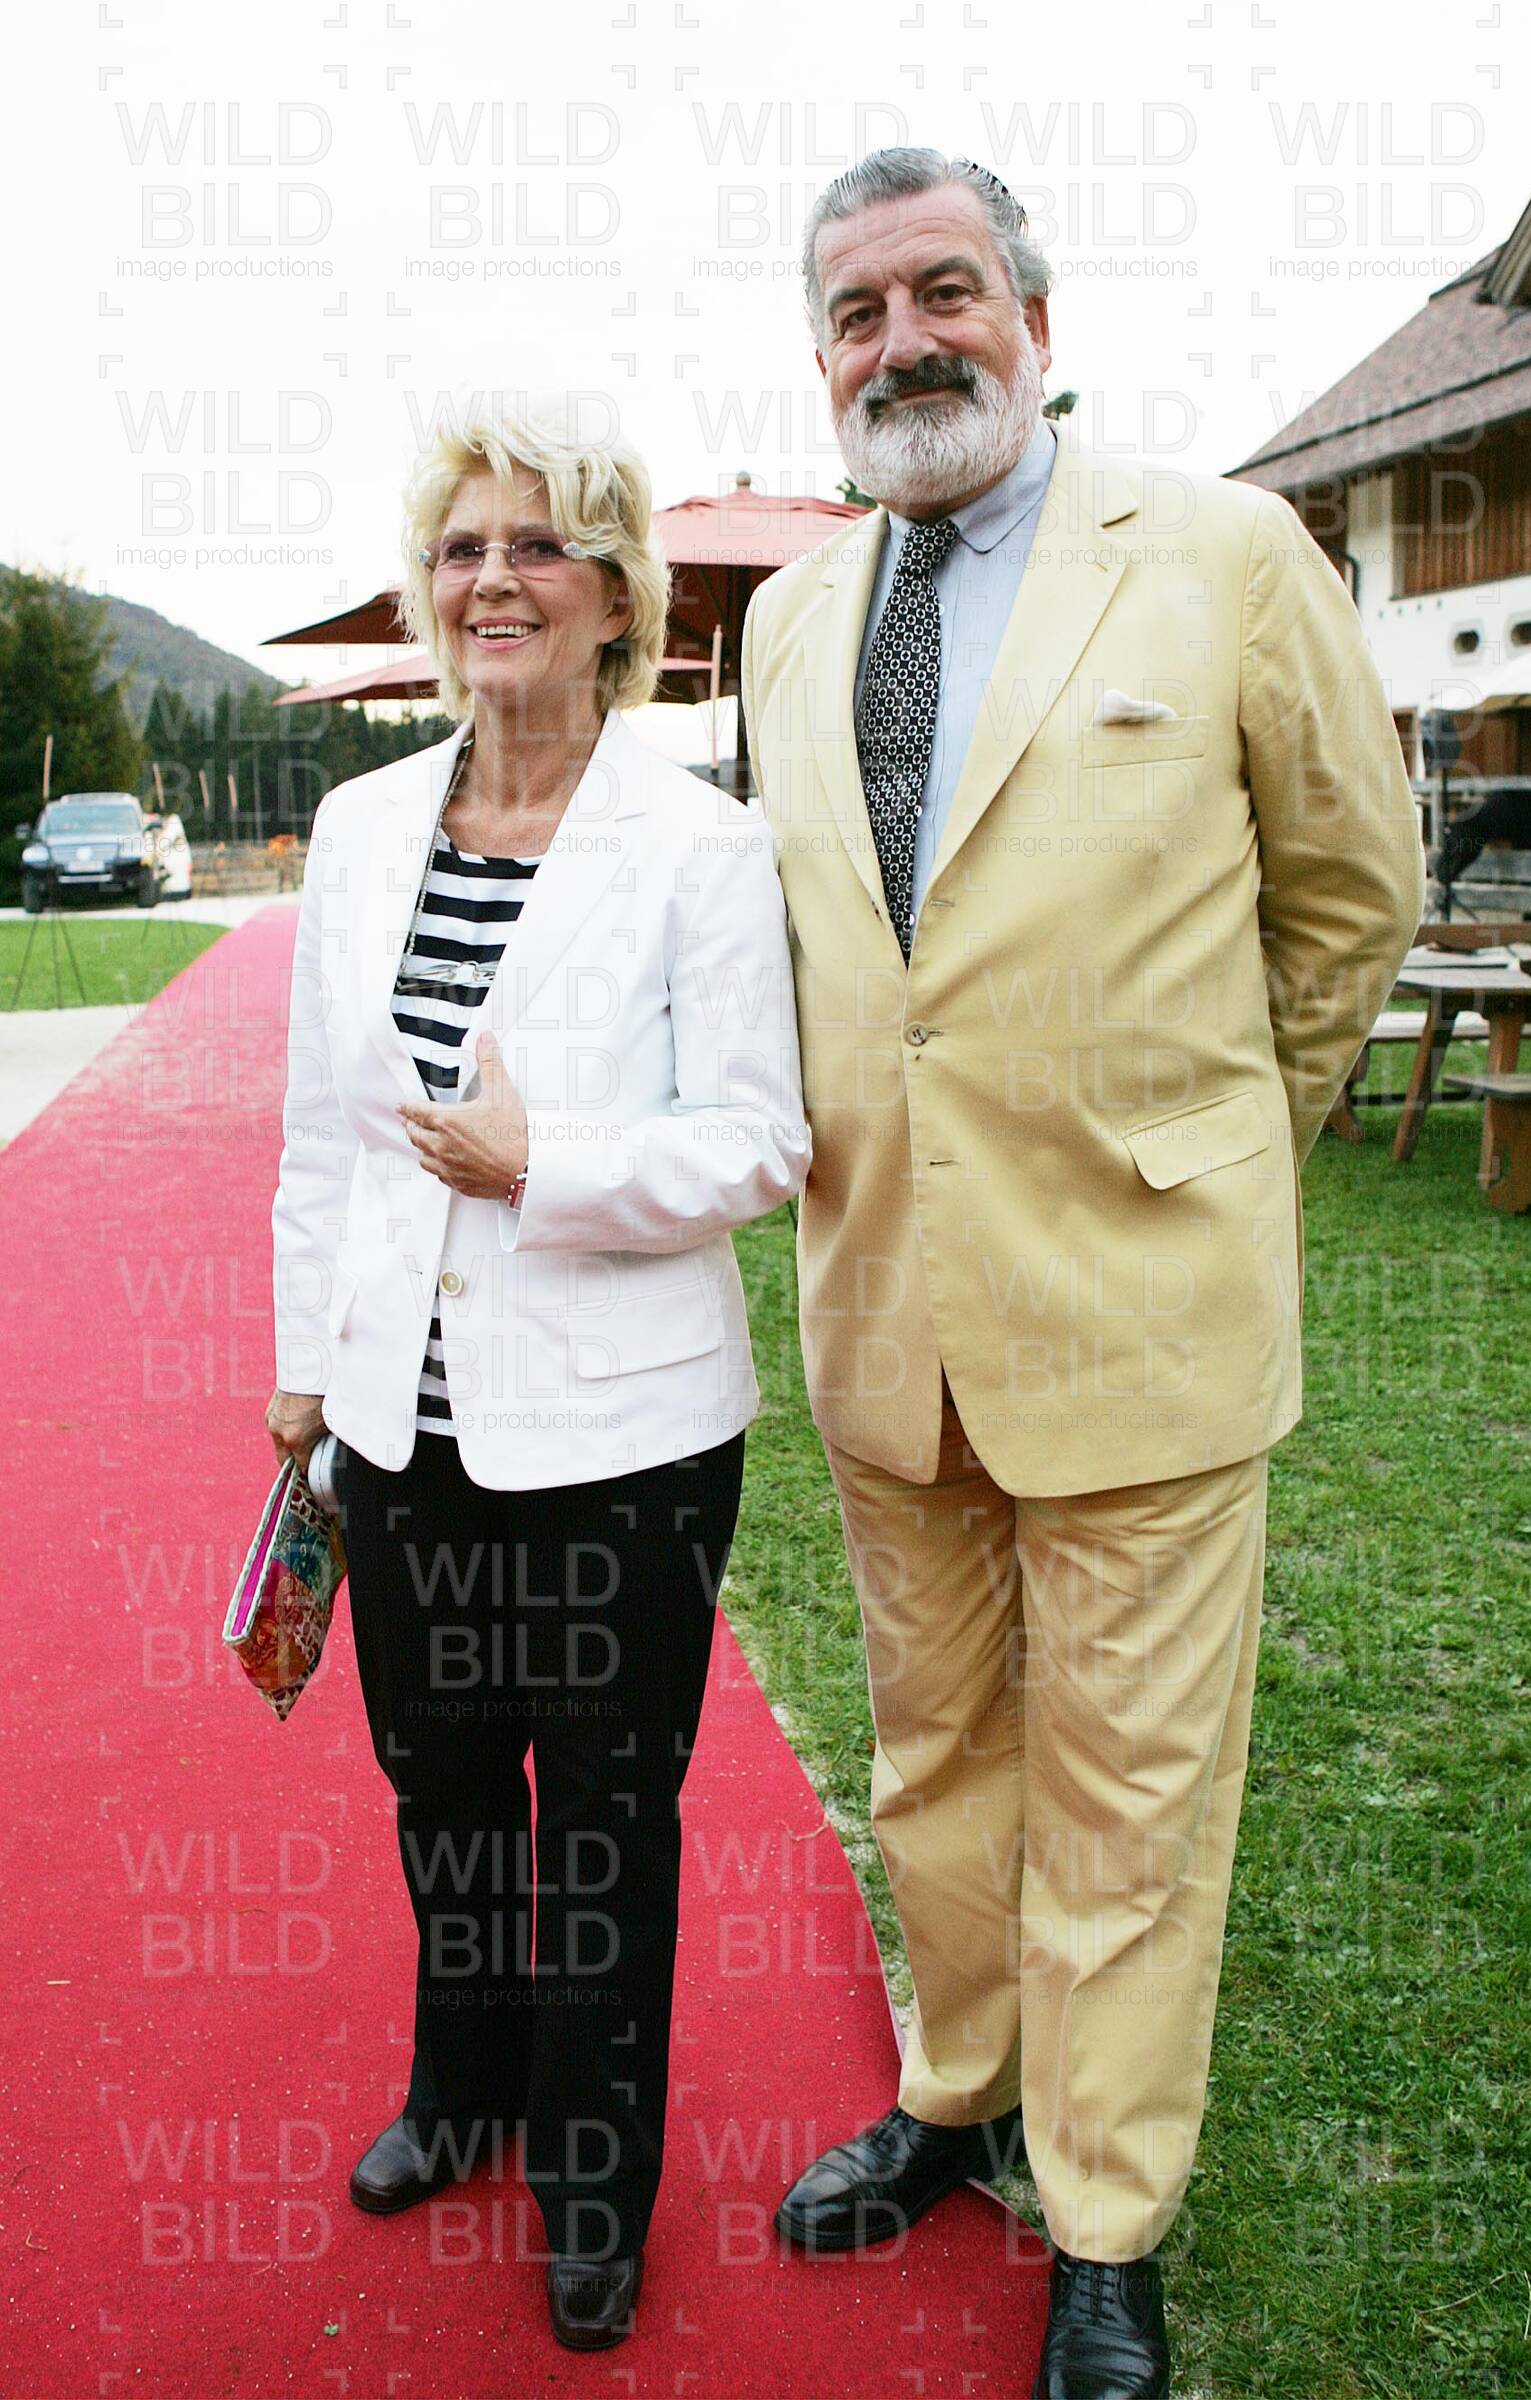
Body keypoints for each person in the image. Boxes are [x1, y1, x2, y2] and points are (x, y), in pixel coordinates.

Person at [741, 150, 1425, 2400]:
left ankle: (1108, 2216)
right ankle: (958, 2096)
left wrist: (1215, 1146)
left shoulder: (1221, 553)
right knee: (936, 1754)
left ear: (1033, 315)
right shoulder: (787, 618)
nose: (903, 342)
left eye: (944, 291)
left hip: (1145, 1305)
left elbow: (1352, 898)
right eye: (856, 313)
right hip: (885, 1309)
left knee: (1133, 1797)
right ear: (822, 356)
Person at [265, 396, 809, 2352]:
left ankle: (595, 2175)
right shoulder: (360, 828)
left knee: (600, 1817)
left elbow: (760, 1140)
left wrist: (541, 1168)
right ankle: (466, 2085)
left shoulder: (703, 847)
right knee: (437, 1784)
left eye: (538, 547)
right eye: (462, 548)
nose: (492, 579)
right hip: (399, 1422)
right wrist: (303, 1369)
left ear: (616, 600)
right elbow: (323, 1137)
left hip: (623, 1441)